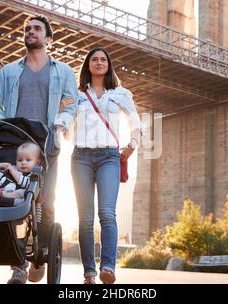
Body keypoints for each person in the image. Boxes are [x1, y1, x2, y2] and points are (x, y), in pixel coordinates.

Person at [0, 14, 78, 284]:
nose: (30, 32)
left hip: (47, 146)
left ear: (48, 39)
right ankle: (18, 265)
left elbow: (72, 104)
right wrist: (0, 126)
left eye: (37, 29)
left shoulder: (63, 72)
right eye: (27, 29)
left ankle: (42, 254)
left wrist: (60, 124)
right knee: (13, 201)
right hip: (15, 147)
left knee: (46, 203)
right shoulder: (9, 71)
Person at [63, 47, 141, 284]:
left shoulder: (120, 93)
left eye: (103, 59)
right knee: (85, 219)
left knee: (107, 213)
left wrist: (132, 144)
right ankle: (89, 272)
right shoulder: (76, 96)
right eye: (94, 59)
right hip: (80, 158)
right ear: (88, 65)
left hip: (109, 157)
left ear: (108, 65)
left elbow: (136, 121)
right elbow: (66, 130)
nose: (98, 62)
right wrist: (63, 118)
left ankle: (108, 266)